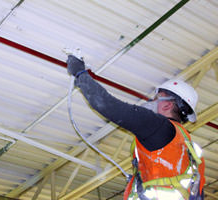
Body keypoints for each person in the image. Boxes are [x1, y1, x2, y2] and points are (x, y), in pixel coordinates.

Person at [66, 54, 205, 200]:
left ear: (167, 104)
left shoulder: (158, 126)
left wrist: (80, 73)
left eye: (155, 99)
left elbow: (107, 105)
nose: (150, 102)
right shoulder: (185, 144)